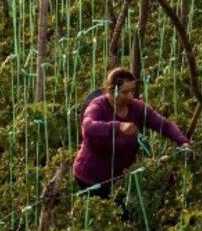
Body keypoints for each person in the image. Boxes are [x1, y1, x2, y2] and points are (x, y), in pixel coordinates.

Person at [73, 66, 189, 196]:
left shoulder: (137, 107)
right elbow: (88, 127)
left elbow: (164, 125)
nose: (130, 96)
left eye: (132, 91)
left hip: (120, 178)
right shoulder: (97, 106)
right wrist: (118, 127)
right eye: (125, 92)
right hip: (91, 178)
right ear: (112, 91)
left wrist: (182, 141)